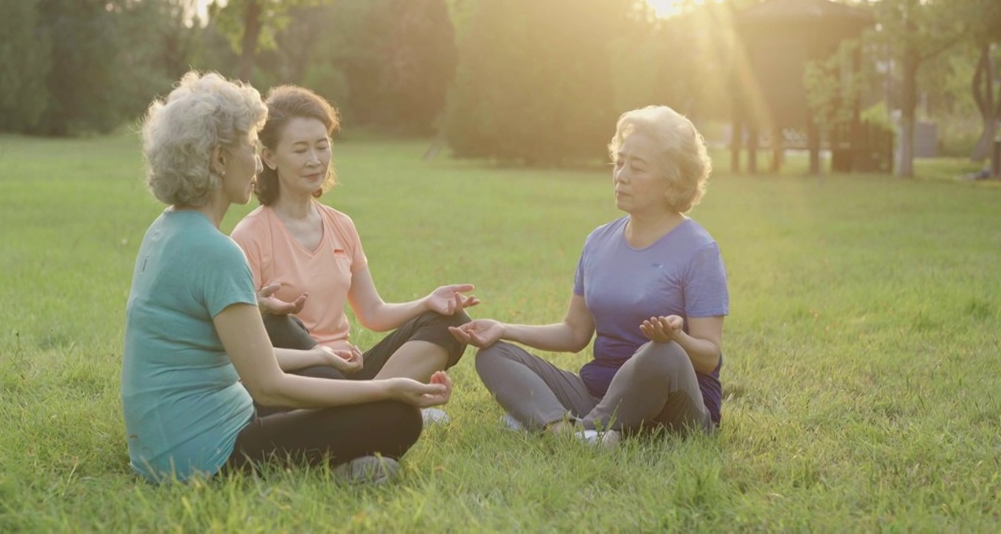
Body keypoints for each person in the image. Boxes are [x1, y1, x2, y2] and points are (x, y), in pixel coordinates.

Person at [121, 72, 451, 485]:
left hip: (163, 446)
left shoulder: (166, 230)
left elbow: (250, 358)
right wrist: (386, 390)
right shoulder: (217, 251)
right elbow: (268, 387)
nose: (257, 160)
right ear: (220, 160)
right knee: (398, 419)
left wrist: (318, 356)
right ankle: (341, 469)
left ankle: (347, 459)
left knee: (365, 407)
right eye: (248, 146)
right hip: (205, 457)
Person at [449, 105, 729, 444]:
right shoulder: (598, 241)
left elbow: (708, 354)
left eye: (636, 167)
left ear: (674, 179)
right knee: (495, 355)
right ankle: (570, 432)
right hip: (598, 391)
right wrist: (504, 329)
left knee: (662, 355)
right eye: (619, 162)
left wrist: (676, 339)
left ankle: (578, 428)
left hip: (675, 410)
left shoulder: (698, 250)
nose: (621, 175)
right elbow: (574, 332)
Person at [230, 86, 477, 424]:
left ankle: (373, 405)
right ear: (270, 157)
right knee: (277, 321)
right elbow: (245, 346)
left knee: (450, 323)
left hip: (348, 372)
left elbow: (373, 313)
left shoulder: (341, 226)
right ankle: (376, 410)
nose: (315, 160)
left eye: (322, 145)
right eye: (300, 149)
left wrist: (426, 303)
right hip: (298, 377)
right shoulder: (249, 236)